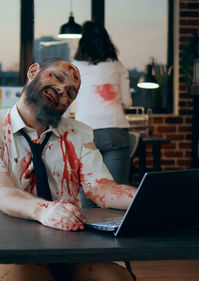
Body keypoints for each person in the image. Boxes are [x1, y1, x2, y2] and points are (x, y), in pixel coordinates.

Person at [0, 57, 137, 281]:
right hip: (9, 245)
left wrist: (148, 199)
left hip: (71, 242)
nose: (63, 89)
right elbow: (0, 192)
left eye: (71, 93)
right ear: (33, 71)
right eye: (58, 77)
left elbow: (101, 188)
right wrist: (44, 210)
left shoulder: (78, 134)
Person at [72, 21, 133, 190]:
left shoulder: (74, 69)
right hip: (114, 130)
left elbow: (69, 103)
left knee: (89, 193)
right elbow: (127, 102)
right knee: (116, 191)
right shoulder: (118, 67)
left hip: (84, 132)